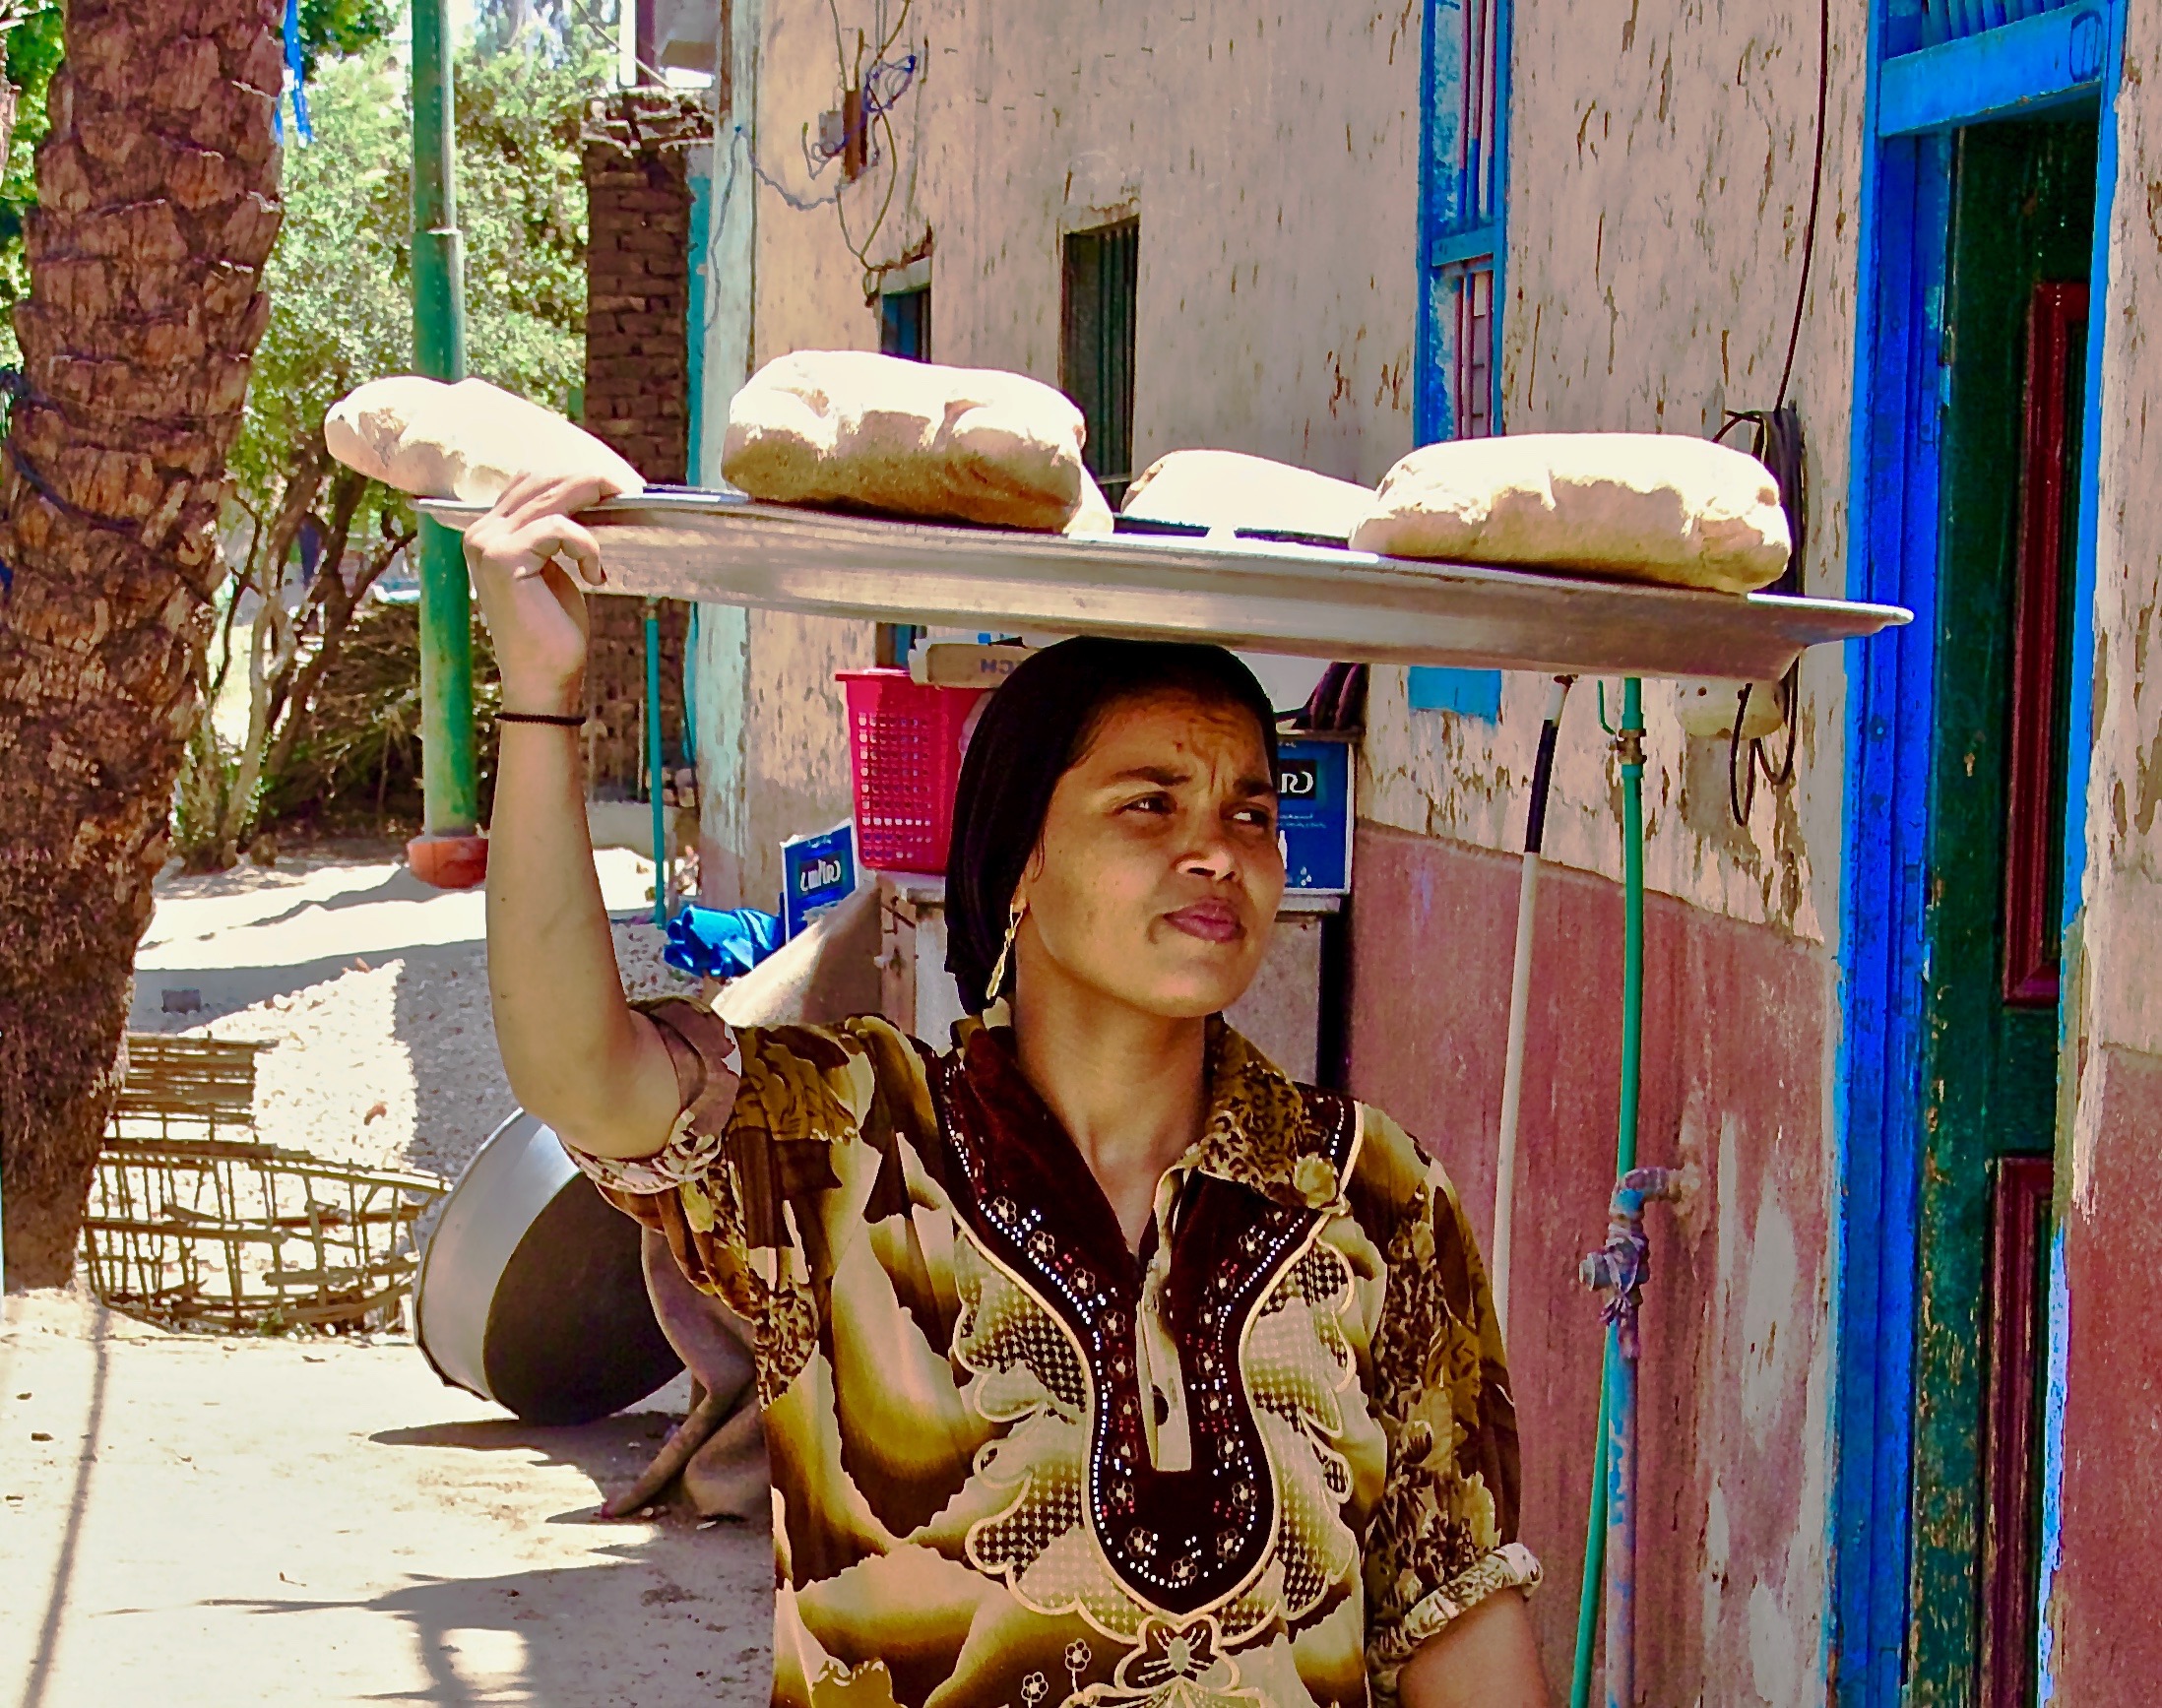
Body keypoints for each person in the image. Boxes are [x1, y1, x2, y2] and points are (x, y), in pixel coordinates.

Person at [471, 474, 1551, 1708]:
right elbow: (582, 1075)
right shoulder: (850, 1148)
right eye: (1150, 803)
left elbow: (1453, 1602)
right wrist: (543, 700)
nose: (1218, 849)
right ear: (1019, 863)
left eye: (1251, 812)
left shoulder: (1370, 1193)